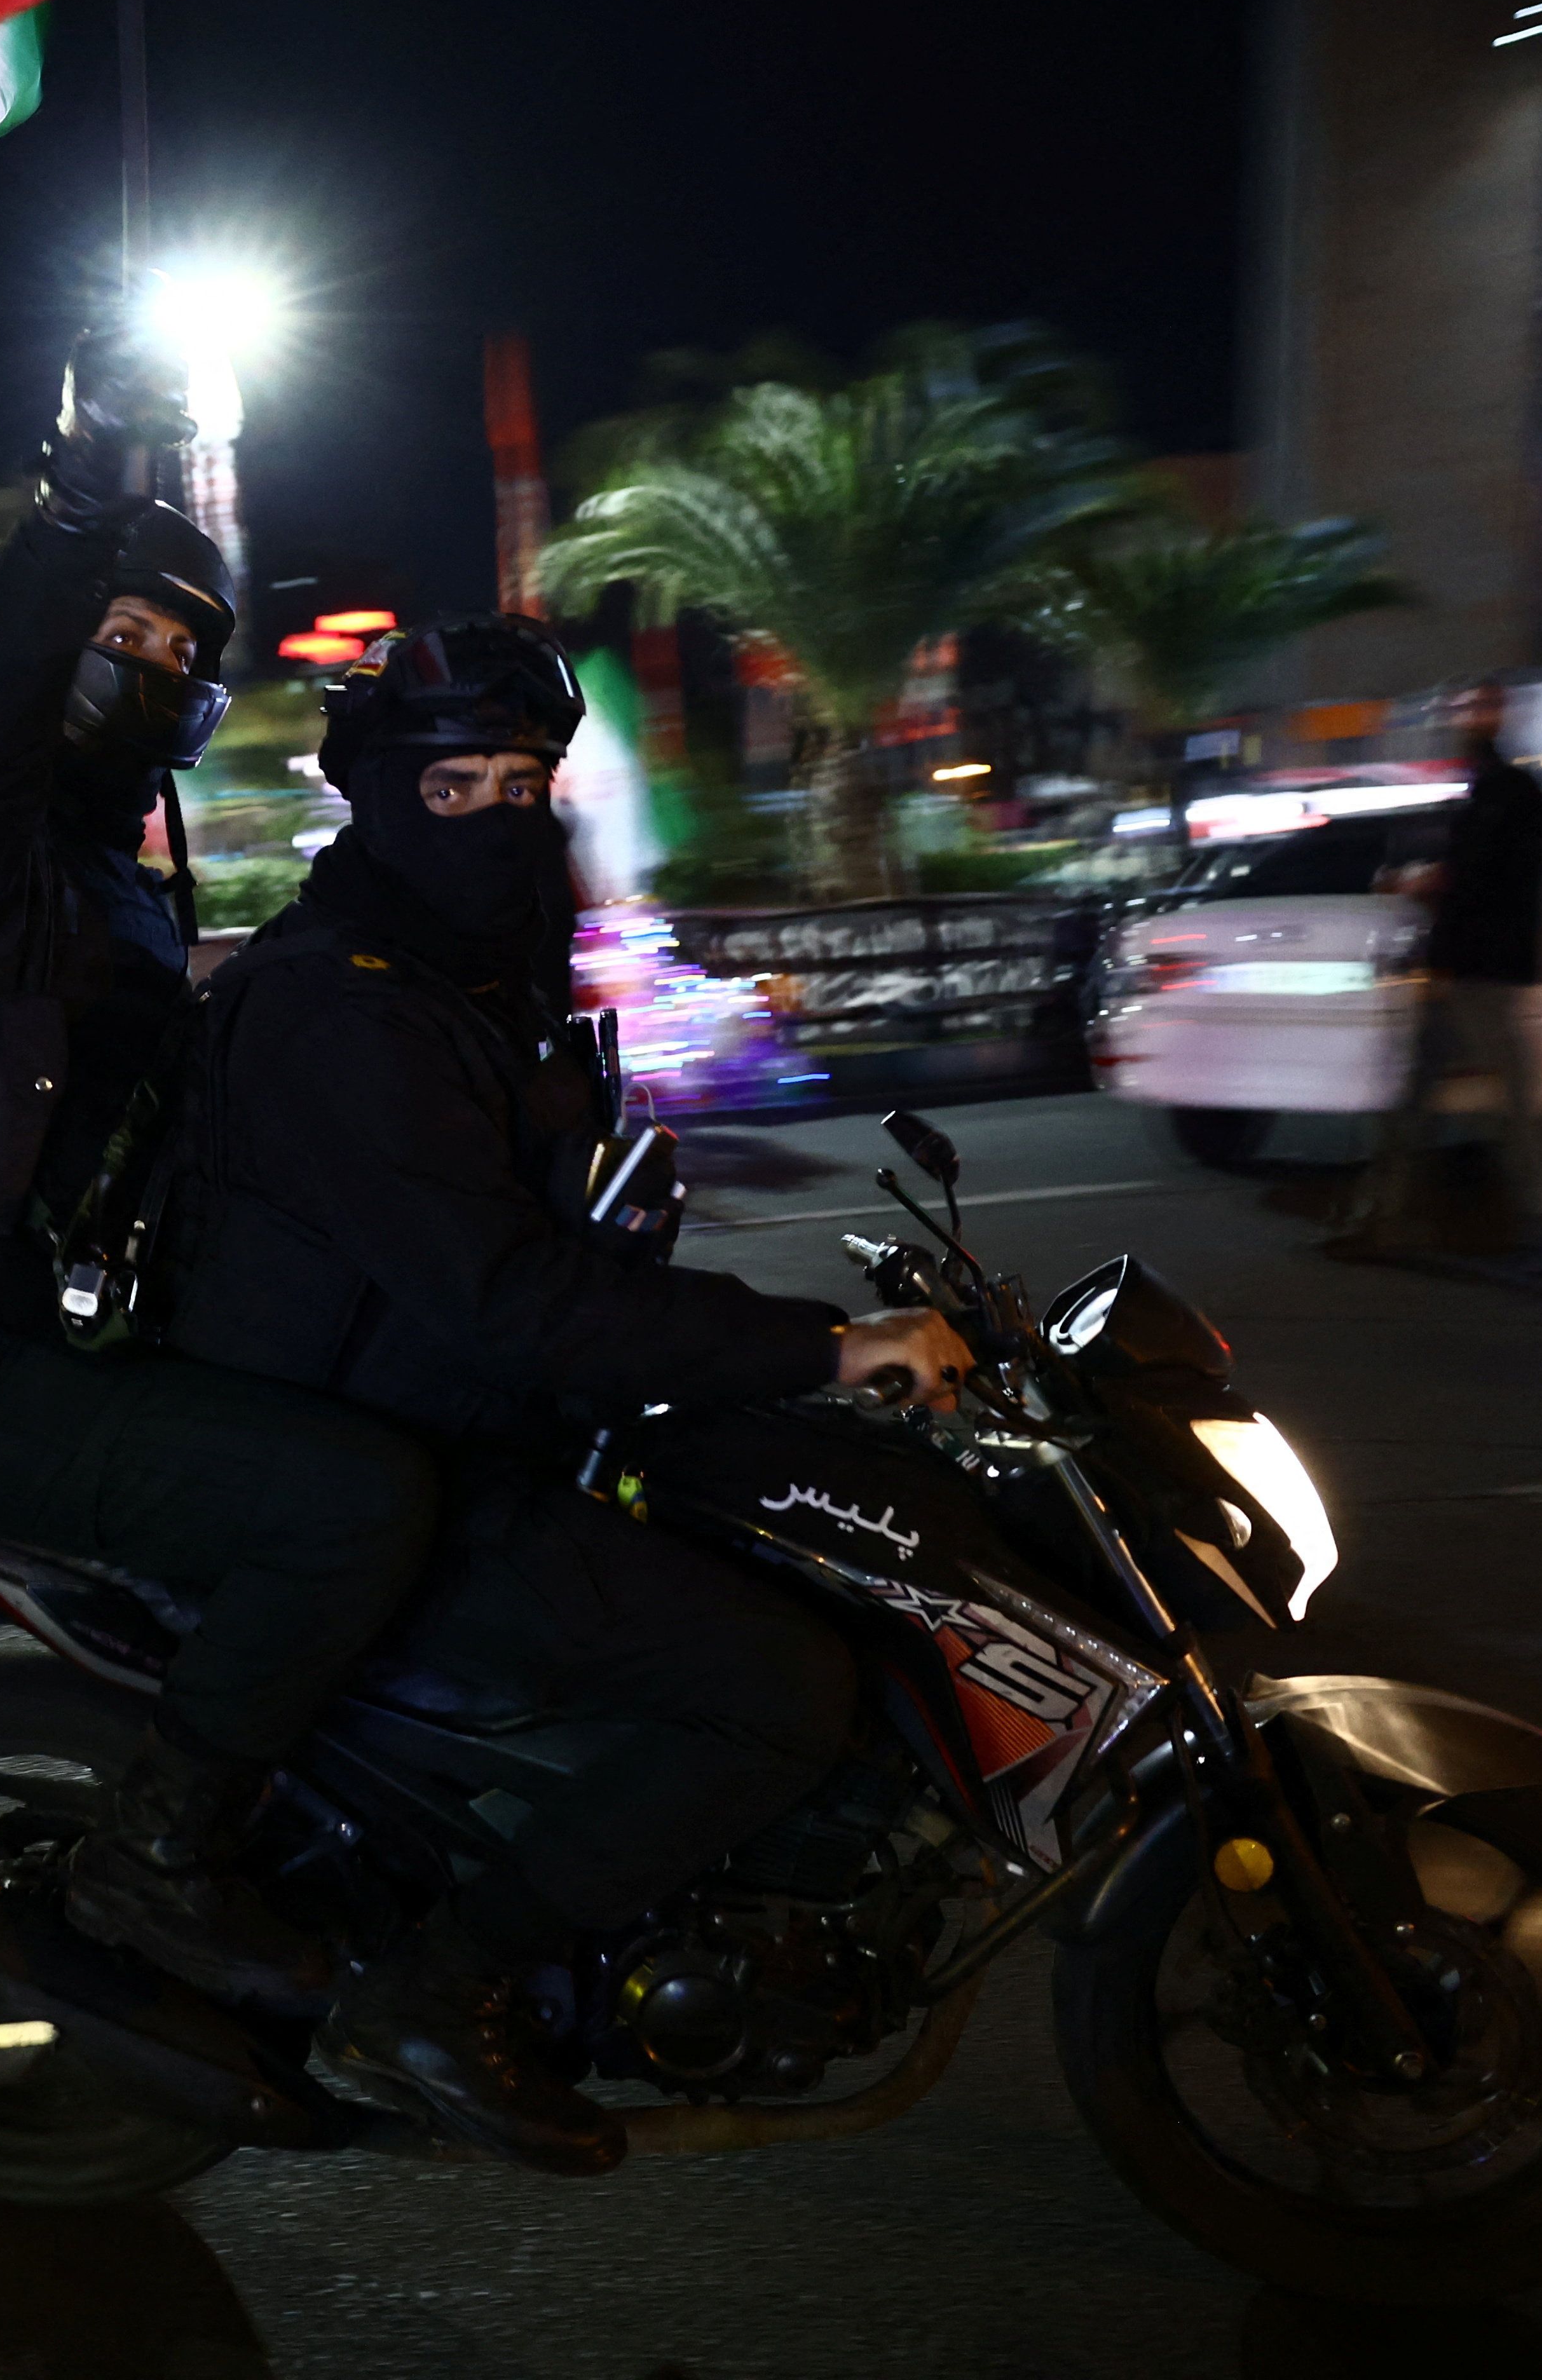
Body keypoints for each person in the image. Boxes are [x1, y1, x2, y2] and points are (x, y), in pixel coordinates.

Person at [163, 615, 972, 2170]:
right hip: (388, 1469)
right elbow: (508, 1293)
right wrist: (822, 1345)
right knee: (774, 1686)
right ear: (380, 803)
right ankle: (435, 1989)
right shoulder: (345, 1010)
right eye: (450, 787)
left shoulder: (468, 984)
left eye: (520, 783)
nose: (492, 817)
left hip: (488, 1419)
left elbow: (573, 1245)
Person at [0, 327, 443, 2012]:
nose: (147, 659)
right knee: (348, 1507)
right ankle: (164, 1855)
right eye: (122, 628)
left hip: (82, 1334)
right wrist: (86, 493)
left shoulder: (124, 885)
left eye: (181, 644)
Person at [1333, 676, 1542, 1267]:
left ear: (1499, 715)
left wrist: (1424, 882)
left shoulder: (1507, 790)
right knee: (1419, 1097)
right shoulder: (1496, 788)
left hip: (1480, 971)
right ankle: (1389, 1221)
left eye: (1476, 708)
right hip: (1461, 967)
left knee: (1510, 1102)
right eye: (1464, 708)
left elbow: (1486, 875)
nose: (1465, 718)